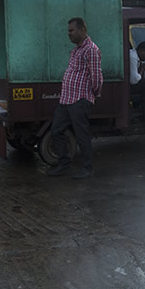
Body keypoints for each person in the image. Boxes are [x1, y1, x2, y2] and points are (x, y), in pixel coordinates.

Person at [47, 17, 102, 179]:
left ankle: (88, 168)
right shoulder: (77, 49)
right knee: (56, 130)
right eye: (68, 31)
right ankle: (64, 164)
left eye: (71, 31)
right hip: (66, 99)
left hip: (80, 100)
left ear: (82, 29)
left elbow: (97, 78)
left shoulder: (91, 49)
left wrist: (89, 96)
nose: (69, 34)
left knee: (81, 135)